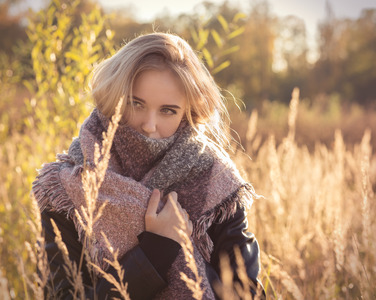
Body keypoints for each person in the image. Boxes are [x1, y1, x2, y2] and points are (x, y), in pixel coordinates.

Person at [32, 32, 264, 299]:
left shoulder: (214, 180)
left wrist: (183, 249)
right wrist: (158, 249)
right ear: (114, 97)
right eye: (135, 103)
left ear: (189, 110)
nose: (149, 125)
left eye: (168, 110)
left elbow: (248, 294)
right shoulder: (69, 185)